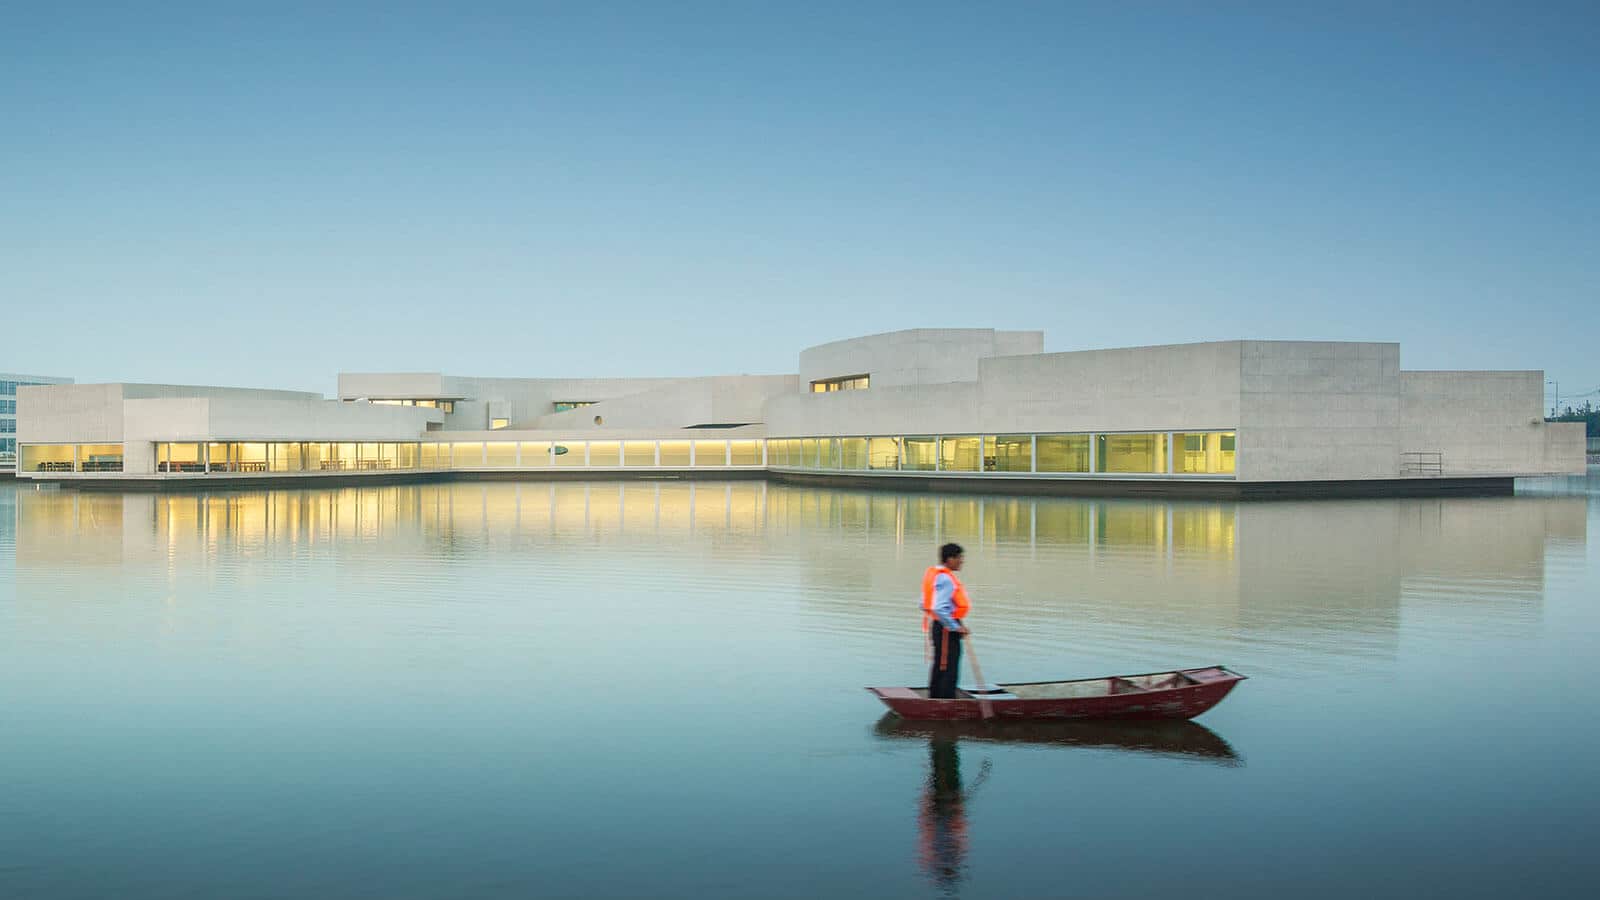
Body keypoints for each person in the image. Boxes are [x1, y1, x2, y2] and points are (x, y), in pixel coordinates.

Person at [922, 542, 971, 699]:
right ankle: (946, 701)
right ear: (950, 559)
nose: (961, 561)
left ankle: (935, 697)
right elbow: (939, 608)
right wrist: (955, 626)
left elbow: (923, 603)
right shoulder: (946, 579)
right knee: (948, 666)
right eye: (959, 558)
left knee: (940, 664)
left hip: (938, 625)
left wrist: (954, 620)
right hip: (946, 630)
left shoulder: (934, 575)